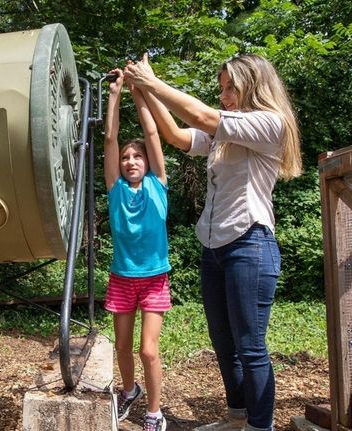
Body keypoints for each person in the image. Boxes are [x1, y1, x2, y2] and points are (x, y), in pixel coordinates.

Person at [124, 53, 301, 431]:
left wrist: (153, 81)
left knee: (250, 347)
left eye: (229, 88)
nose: (223, 96)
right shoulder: (226, 134)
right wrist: (142, 91)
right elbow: (175, 135)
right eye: (220, 89)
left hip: (250, 244)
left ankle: (259, 425)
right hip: (215, 249)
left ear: (253, 85)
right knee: (224, 343)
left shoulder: (270, 123)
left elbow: (202, 117)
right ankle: (237, 418)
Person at [103, 67, 171, 431]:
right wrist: (115, 92)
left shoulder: (158, 186)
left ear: (147, 164)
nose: (130, 161)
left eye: (137, 157)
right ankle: (130, 390)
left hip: (155, 278)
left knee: (148, 350)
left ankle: (154, 413)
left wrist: (138, 90)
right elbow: (110, 139)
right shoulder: (115, 190)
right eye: (127, 157)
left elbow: (152, 133)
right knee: (123, 347)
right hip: (122, 278)